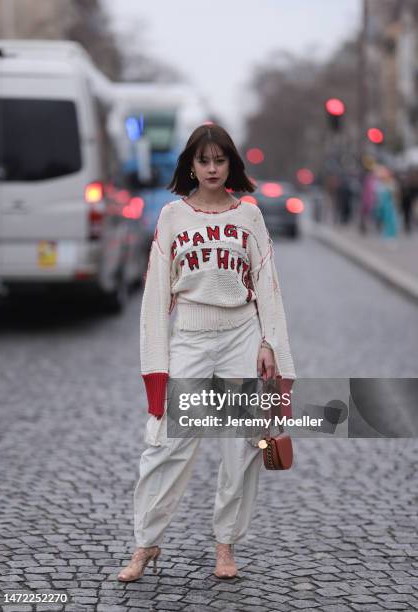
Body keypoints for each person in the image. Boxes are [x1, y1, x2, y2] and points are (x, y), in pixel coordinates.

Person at [117, 124, 296, 582]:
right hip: (190, 338)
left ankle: (225, 545)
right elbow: (156, 296)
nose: (212, 168)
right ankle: (145, 544)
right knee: (166, 446)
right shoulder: (173, 216)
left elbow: (268, 289)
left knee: (242, 447)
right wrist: (156, 370)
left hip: (241, 334)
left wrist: (269, 343)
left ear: (231, 163)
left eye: (220, 160)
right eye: (204, 161)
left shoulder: (249, 217)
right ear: (191, 166)